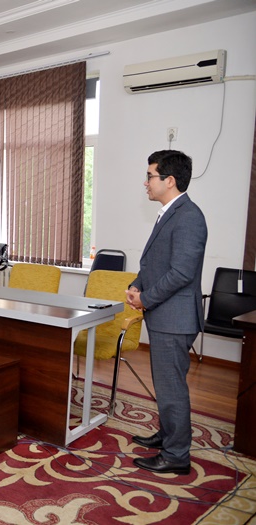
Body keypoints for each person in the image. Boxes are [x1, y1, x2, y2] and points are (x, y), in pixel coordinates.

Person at [126, 150, 207, 475]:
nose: (146, 182)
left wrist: (145, 299)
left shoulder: (189, 216)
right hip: (165, 315)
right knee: (165, 385)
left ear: (169, 180)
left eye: (150, 176)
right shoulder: (169, 213)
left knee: (171, 387)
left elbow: (181, 273)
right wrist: (136, 285)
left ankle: (176, 456)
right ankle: (167, 435)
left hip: (175, 318)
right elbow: (154, 264)